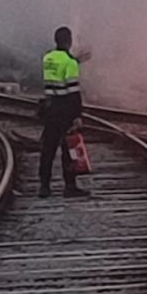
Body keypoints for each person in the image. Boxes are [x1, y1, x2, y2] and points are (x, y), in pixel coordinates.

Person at [39, 26, 90, 198]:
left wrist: (75, 60)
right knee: (69, 149)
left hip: (50, 107)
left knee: (48, 148)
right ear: (70, 41)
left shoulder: (48, 58)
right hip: (65, 110)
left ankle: (44, 186)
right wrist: (77, 115)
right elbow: (73, 91)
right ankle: (69, 186)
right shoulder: (70, 63)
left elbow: (59, 66)